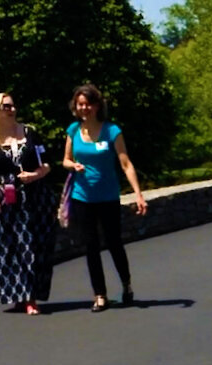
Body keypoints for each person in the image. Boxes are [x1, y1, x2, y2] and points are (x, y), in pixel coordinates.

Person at [61, 84, 148, 313]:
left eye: (88, 104)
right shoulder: (73, 130)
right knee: (90, 246)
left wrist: (138, 194)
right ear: (75, 106)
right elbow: (65, 160)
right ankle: (100, 295)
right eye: (80, 104)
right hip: (82, 197)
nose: (84, 108)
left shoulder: (111, 131)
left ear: (97, 105)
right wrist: (74, 165)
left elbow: (125, 163)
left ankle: (126, 284)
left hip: (107, 197)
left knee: (114, 243)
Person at [0, 93, 55, 315]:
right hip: (5, 199)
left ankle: (31, 297)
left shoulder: (30, 133)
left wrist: (35, 175)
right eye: (5, 107)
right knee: (8, 248)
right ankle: (20, 296)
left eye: (11, 106)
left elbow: (46, 164)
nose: (10, 109)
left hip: (35, 198)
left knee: (34, 245)